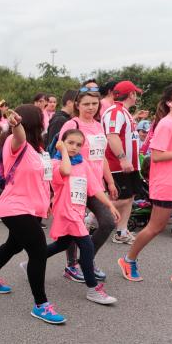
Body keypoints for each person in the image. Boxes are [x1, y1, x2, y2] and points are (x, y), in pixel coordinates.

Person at [0, 106, 65, 324]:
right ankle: (41, 305)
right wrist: (16, 125)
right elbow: (19, 136)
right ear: (35, 122)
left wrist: (46, 203)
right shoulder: (15, 142)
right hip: (16, 208)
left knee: (13, 245)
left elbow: (43, 178)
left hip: (32, 209)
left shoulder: (39, 149)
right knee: (38, 251)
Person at [118, 83, 172, 287]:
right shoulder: (167, 124)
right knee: (156, 227)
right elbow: (157, 156)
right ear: (170, 102)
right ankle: (128, 260)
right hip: (167, 184)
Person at [46, 133, 120, 304]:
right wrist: (63, 151)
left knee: (62, 244)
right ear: (61, 143)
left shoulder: (82, 163)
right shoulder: (55, 162)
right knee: (86, 247)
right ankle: (92, 289)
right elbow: (66, 170)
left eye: (78, 145)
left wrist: (109, 205)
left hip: (78, 211)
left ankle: (34, 261)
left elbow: (94, 188)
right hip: (65, 211)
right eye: (70, 143)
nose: (74, 147)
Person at [57, 89, 118, 283]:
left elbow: (101, 158)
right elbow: (61, 152)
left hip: (95, 183)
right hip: (74, 183)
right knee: (75, 227)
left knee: (108, 222)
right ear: (77, 105)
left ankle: (87, 259)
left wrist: (109, 181)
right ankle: (72, 265)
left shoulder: (99, 126)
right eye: (86, 104)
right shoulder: (71, 124)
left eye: (94, 103)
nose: (91, 107)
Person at [102, 80, 143, 244]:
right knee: (122, 198)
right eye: (135, 94)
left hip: (130, 164)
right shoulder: (115, 111)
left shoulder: (123, 112)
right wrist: (123, 158)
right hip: (117, 165)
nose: (136, 97)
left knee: (130, 196)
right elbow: (112, 136)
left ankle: (122, 231)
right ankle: (91, 218)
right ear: (131, 94)